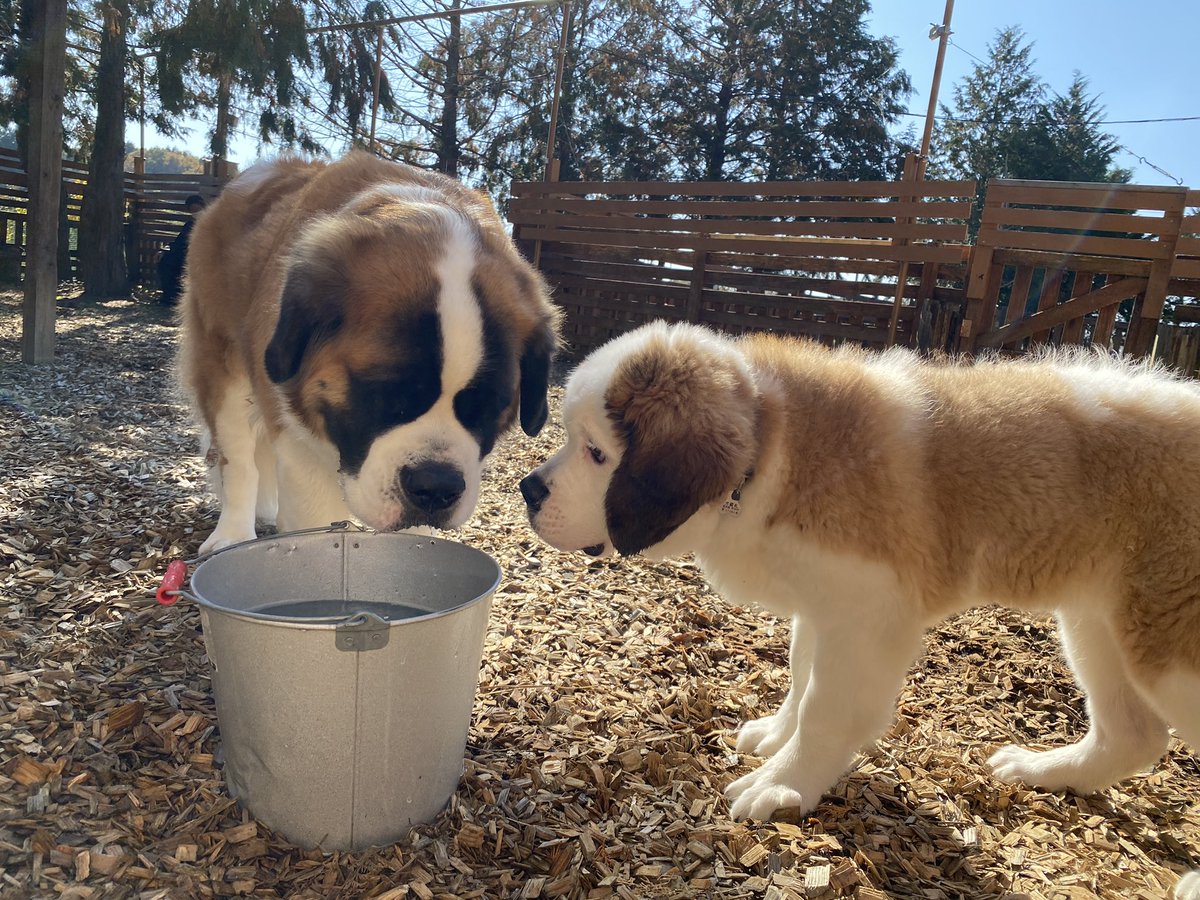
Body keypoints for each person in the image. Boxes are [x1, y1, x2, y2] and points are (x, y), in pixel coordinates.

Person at [157, 193, 206, 306]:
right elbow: (177, 243)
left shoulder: (211, 224)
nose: (196, 213)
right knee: (166, 262)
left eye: (198, 209)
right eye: (193, 211)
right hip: (184, 256)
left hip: (202, 257)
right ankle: (169, 297)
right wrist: (164, 250)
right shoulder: (189, 225)